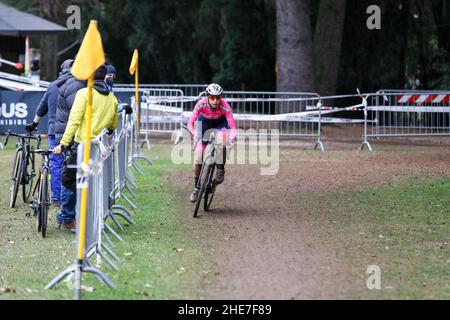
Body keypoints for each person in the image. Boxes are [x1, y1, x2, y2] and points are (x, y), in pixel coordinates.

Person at [53, 65, 119, 231]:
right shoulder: (112, 98)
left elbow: (74, 121)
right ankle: (85, 217)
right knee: (92, 182)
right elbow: (113, 125)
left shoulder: (84, 94)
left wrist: (63, 143)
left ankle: (67, 218)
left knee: (69, 180)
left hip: (81, 148)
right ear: (105, 78)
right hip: (98, 151)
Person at [25, 59, 74, 207]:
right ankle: (69, 197)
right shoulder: (76, 85)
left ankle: (56, 198)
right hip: (71, 131)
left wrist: (34, 124)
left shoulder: (52, 86)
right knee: (72, 163)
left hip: (54, 131)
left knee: (56, 164)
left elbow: (42, 108)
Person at [187, 83, 236, 203]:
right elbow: (190, 123)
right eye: (212, 97)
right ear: (207, 97)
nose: (215, 101)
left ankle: (220, 169)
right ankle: (196, 187)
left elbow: (233, 127)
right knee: (198, 158)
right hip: (204, 124)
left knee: (223, 141)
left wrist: (231, 139)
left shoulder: (225, 106)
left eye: (218, 97)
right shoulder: (201, 104)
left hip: (220, 123)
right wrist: (195, 134)